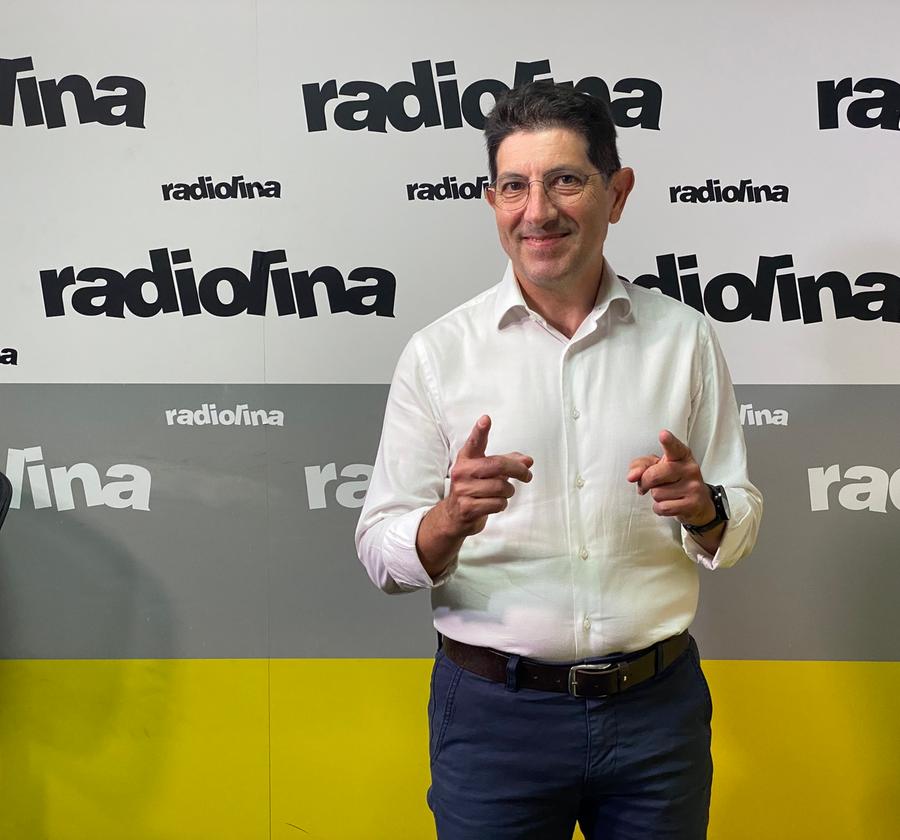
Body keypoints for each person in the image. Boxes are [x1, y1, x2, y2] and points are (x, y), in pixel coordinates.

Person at [356, 81, 762, 840]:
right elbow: (380, 552)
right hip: (494, 723)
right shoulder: (439, 354)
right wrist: (447, 520)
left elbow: (737, 521)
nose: (537, 211)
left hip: (656, 717)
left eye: (565, 181)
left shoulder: (684, 339)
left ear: (618, 192)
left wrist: (706, 509)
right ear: (493, 201)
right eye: (514, 186)